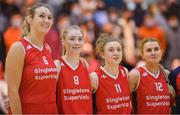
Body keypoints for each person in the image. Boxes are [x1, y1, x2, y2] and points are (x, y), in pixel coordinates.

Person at [5, 3, 58, 114]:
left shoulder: (47, 48)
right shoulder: (19, 48)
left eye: (49, 17)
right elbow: (12, 91)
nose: (46, 20)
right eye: (42, 16)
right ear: (30, 19)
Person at [128, 38, 173, 114]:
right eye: (149, 50)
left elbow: (171, 104)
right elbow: (123, 103)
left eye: (156, 49)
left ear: (161, 52)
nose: (153, 53)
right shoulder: (135, 75)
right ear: (142, 55)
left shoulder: (167, 75)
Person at [90, 33, 131, 114]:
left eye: (119, 49)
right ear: (102, 54)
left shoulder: (125, 71)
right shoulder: (95, 77)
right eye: (111, 50)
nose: (116, 53)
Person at [56, 25, 92, 114]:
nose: (76, 42)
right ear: (63, 41)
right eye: (72, 39)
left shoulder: (85, 65)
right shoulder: (57, 65)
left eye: (80, 39)